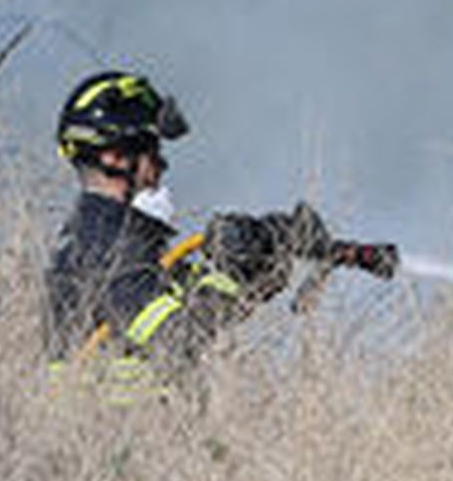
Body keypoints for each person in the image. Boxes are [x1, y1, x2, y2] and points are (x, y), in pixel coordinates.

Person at [46, 70, 321, 402]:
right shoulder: (106, 248)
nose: (162, 166)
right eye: (152, 152)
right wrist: (234, 272)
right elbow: (178, 336)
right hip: (116, 436)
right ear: (115, 157)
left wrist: (261, 257)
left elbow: (190, 303)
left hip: (129, 436)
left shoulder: (110, 240)